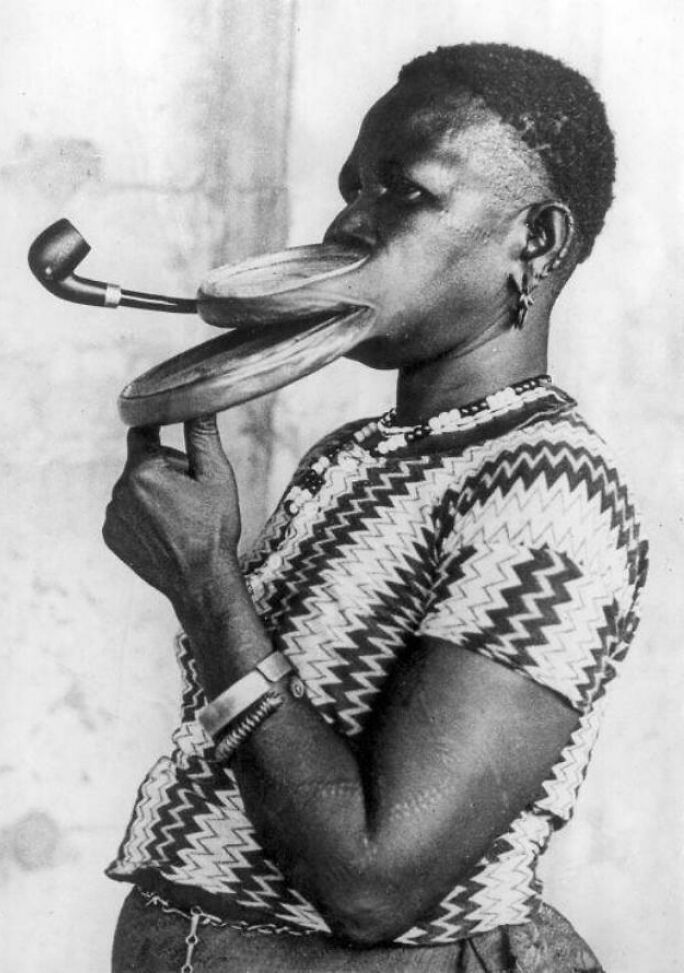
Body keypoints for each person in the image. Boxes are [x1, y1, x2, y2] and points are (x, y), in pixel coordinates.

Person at [103, 43, 648, 972]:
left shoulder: (549, 489)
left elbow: (370, 883)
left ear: (538, 239)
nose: (350, 219)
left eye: (406, 189)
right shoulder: (360, 454)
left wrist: (205, 579)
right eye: (354, 185)